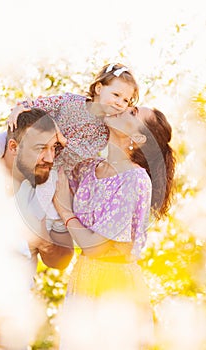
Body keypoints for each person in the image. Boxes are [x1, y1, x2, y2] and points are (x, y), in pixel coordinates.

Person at [53, 106, 176, 349]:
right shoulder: (89, 169)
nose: (123, 107)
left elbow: (95, 247)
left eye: (133, 113)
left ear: (138, 138)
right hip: (84, 277)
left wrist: (65, 210)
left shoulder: (135, 180)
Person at [0, 107, 74, 350]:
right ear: (12, 147)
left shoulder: (46, 185)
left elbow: (62, 260)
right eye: (39, 149)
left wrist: (42, 241)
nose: (50, 158)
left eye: (53, 149)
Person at [0, 63, 139, 174]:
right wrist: (21, 107)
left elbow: (80, 154)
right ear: (99, 89)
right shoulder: (71, 101)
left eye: (126, 100)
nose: (120, 103)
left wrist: (59, 136)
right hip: (29, 140)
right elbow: (43, 104)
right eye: (116, 95)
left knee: (44, 194)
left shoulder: (104, 133)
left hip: (52, 165)